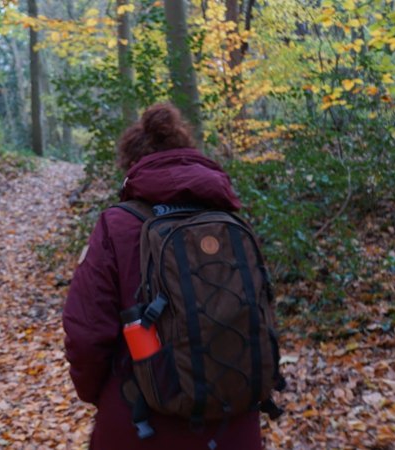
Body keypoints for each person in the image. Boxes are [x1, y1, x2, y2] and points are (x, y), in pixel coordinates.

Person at [63, 103, 263, 449]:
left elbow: (86, 332)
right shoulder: (230, 222)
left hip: (141, 420)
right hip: (234, 420)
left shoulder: (118, 225)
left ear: (131, 164)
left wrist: (98, 393)